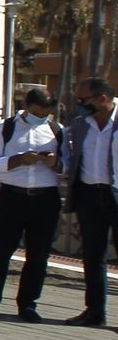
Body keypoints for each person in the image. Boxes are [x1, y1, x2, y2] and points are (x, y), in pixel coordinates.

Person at [0, 87, 64, 322]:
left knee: (38, 255)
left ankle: (28, 304)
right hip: (13, 196)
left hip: (45, 198)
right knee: (1, 251)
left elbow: (67, 167)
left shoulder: (56, 130)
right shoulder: (3, 128)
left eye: (46, 113)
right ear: (27, 106)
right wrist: (18, 160)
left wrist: (55, 163)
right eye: (38, 112)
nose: (41, 117)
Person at [62, 78, 117, 326]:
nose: (80, 105)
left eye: (83, 100)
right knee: (93, 256)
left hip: (116, 194)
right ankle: (94, 312)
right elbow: (72, 158)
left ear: (103, 99)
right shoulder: (80, 124)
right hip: (89, 195)